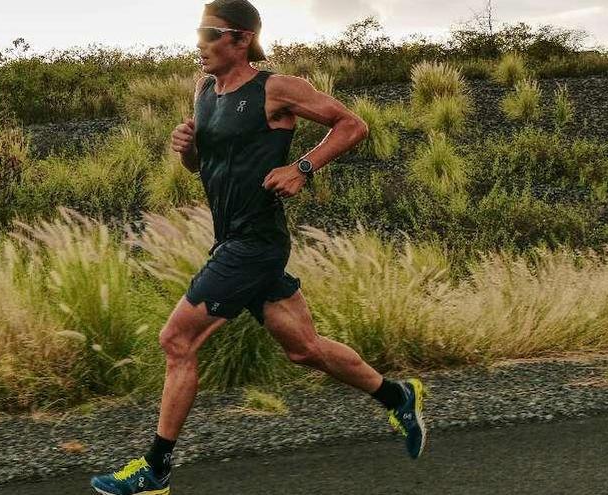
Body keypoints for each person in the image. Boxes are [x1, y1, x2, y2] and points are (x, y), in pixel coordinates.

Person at [91, 1, 426, 493]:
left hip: (255, 242)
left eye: (210, 33)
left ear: (241, 39)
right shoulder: (204, 91)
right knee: (305, 350)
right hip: (231, 238)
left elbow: (352, 125)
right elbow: (207, 167)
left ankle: (155, 470)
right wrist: (189, 152)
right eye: (198, 32)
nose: (199, 43)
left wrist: (302, 168)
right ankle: (397, 396)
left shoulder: (276, 88)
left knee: (176, 341)